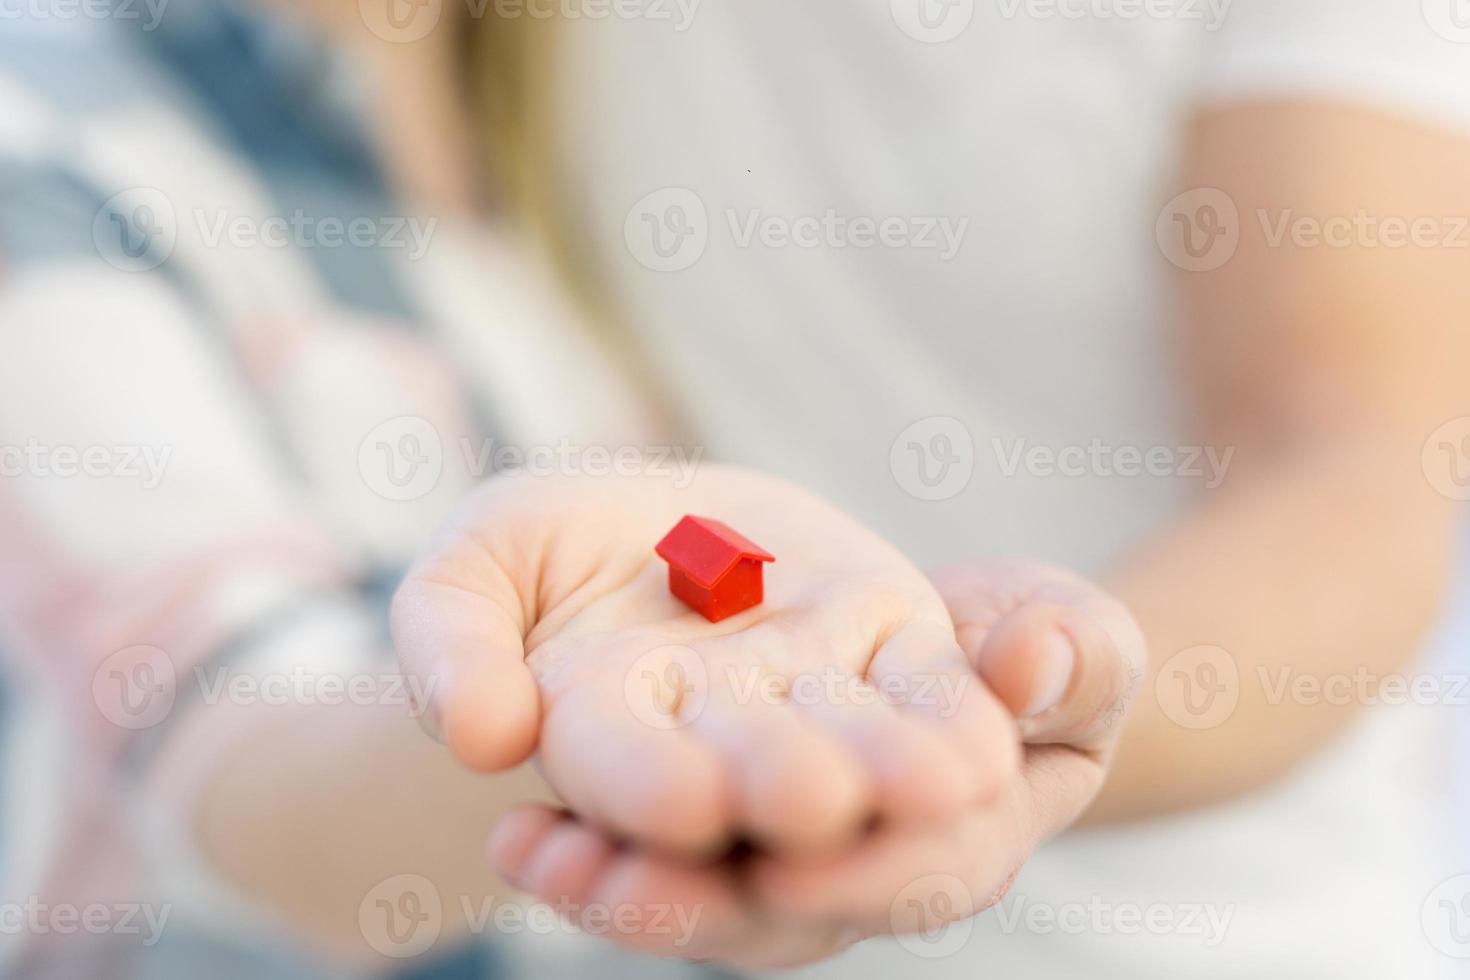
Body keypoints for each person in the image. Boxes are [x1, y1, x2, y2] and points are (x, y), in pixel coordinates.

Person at [1, 1, 1467, 978]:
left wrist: (983, 701)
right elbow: (243, 765)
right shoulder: (62, 135)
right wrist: (552, 714)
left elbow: (1355, 461)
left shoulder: (499, 109)